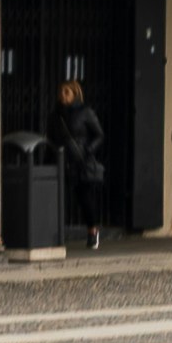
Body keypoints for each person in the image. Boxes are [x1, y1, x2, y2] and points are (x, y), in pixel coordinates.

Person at [58, 71, 106, 253]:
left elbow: (99, 135)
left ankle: (92, 230)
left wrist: (87, 150)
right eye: (61, 92)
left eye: (67, 92)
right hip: (63, 160)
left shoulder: (85, 112)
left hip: (80, 161)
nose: (63, 96)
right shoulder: (57, 114)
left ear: (75, 94)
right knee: (59, 198)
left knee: (85, 199)